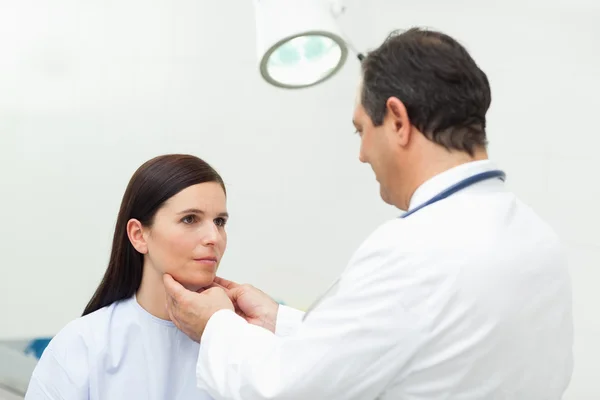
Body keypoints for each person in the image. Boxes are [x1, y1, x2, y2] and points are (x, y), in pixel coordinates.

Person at [164, 27, 574, 400]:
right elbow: (410, 343)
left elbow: (285, 389)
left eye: (362, 131)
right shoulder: (535, 238)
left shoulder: (417, 252)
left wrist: (216, 325)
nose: (362, 155)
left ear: (397, 120)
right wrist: (281, 321)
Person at [25, 154, 229, 399]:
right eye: (190, 219)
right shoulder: (83, 345)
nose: (214, 237)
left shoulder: (240, 343)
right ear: (138, 235)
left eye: (219, 221)